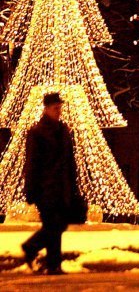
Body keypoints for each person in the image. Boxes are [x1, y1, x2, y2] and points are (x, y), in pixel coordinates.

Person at [21, 92, 84, 275]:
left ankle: (51, 262)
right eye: (56, 108)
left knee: (57, 225)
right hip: (45, 189)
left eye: (60, 107)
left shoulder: (64, 130)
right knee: (53, 225)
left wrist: (73, 187)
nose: (59, 111)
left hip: (62, 187)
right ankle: (38, 252)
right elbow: (32, 163)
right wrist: (31, 191)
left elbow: (70, 162)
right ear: (46, 109)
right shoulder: (37, 132)